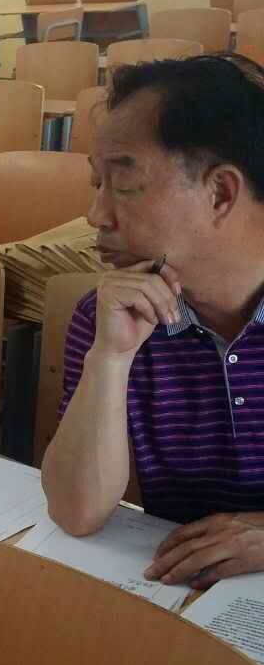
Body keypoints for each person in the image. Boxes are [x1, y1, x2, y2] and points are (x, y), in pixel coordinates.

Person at [43, 54, 264, 589]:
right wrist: (110, 358)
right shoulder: (112, 317)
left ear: (220, 193)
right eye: (96, 185)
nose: (95, 215)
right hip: (182, 597)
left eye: (124, 185)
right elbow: (76, 512)